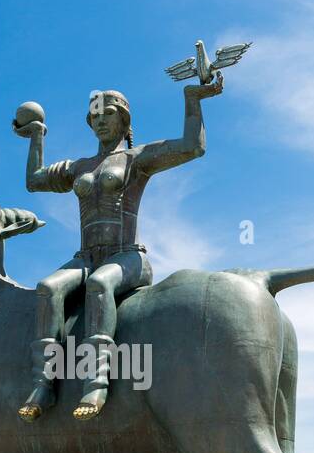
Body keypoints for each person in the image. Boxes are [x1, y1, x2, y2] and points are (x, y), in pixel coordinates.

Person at [13, 79, 222, 420]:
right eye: (94, 115)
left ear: (124, 121)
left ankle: (96, 382)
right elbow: (35, 179)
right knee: (48, 288)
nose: (100, 120)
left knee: (100, 284)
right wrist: (37, 136)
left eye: (108, 113)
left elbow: (191, 146)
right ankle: (43, 384)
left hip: (127, 256)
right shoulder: (78, 167)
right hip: (85, 258)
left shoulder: (136, 158)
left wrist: (192, 99)